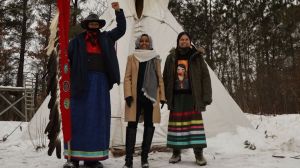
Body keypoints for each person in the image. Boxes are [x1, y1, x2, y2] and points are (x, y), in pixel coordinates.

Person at [65, 2, 126, 168]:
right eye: (91, 23)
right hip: (79, 83)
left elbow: (121, 29)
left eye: (96, 24)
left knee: (97, 119)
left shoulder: (106, 38)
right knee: (78, 119)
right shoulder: (76, 41)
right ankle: (74, 158)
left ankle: (93, 159)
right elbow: (66, 58)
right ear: (86, 26)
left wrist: (118, 11)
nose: (93, 26)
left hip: (99, 82)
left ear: (99, 26)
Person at [163, 32, 212, 166]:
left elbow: (205, 77)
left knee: (194, 126)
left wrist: (206, 96)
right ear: (178, 41)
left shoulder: (197, 57)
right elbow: (165, 77)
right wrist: (164, 95)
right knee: (176, 126)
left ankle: (198, 154)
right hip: (177, 97)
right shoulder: (171, 57)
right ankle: (176, 153)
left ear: (190, 42)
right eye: (181, 39)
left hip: (193, 97)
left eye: (186, 39)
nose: (184, 41)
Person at [123, 34, 166, 168]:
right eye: (141, 41)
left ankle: (144, 158)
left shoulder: (155, 58)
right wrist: (128, 94)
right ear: (138, 42)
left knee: (149, 125)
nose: (144, 43)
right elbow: (127, 77)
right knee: (132, 125)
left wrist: (162, 96)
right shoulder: (132, 57)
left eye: (147, 41)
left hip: (150, 96)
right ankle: (128, 160)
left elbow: (160, 78)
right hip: (135, 97)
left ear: (150, 43)